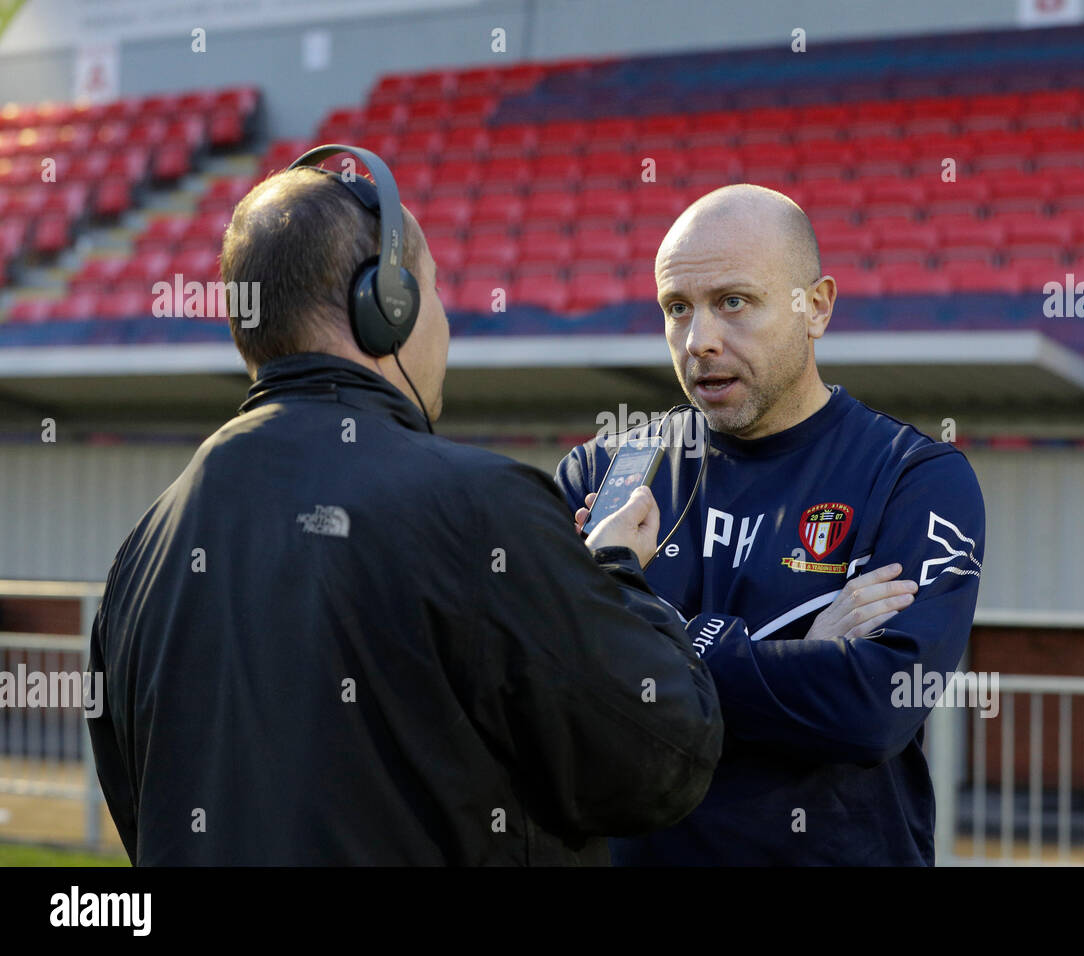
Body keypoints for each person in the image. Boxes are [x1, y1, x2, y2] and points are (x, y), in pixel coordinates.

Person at [86, 152, 723, 866]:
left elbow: (146, 817)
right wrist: (616, 576)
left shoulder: (140, 554)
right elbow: (662, 758)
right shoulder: (481, 508)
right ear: (387, 303)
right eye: (435, 292)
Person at [556, 184, 986, 865]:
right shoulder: (607, 474)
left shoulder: (914, 478)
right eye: (677, 309)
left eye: (733, 302)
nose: (699, 341)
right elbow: (559, 693)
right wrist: (798, 651)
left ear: (815, 308)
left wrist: (642, 627)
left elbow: (873, 708)